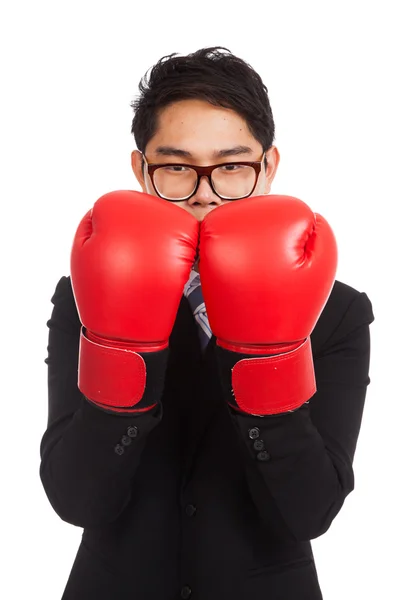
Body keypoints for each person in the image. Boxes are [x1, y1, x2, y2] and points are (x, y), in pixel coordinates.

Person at [40, 47, 374, 600]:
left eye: (232, 166)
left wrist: (267, 361)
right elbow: (77, 502)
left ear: (268, 166)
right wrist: (121, 355)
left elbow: (310, 513)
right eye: (176, 166)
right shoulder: (82, 296)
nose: (203, 193)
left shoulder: (336, 311)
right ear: (139, 171)